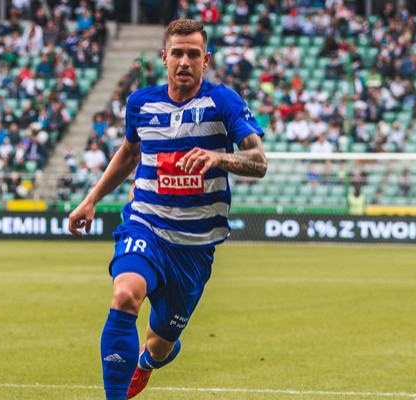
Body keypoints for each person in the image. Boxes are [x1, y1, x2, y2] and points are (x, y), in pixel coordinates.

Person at [67, 19, 267, 400]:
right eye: (177, 53)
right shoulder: (141, 103)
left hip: (193, 248)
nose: (184, 62)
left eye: (193, 54)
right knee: (125, 295)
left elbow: (258, 161)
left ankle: (146, 362)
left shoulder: (223, 102)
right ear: (164, 57)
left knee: (159, 346)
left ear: (206, 60)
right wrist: (91, 199)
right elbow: (129, 154)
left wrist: (218, 157)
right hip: (146, 225)